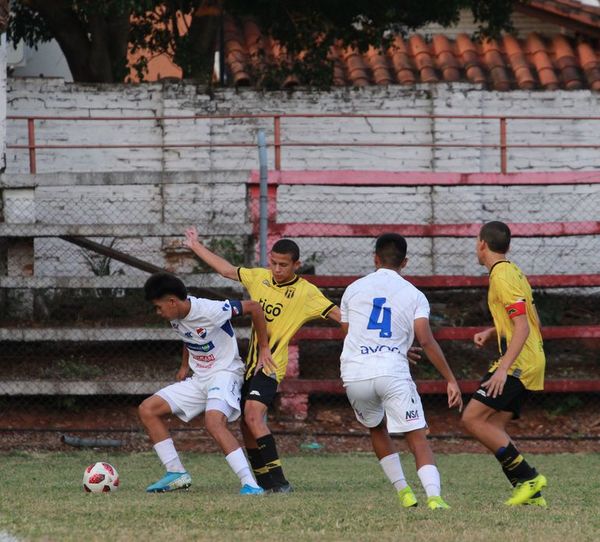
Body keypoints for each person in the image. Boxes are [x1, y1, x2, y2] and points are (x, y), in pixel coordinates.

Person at [184, 227, 342, 492]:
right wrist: (195, 246)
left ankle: (280, 483)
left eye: (283, 265)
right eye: (273, 263)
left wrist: (378, 343)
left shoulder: (307, 293)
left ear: (296, 265)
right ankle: (263, 481)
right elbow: (226, 270)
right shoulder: (259, 278)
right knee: (247, 424)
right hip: (248, 366)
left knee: (253, 416)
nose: (277, 269)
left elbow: (341, 317)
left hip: (270, 365)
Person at [339, 233, 462, 510]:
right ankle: (434, 498)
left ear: (375, 258)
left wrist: (392, 346)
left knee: (376, 428)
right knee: (416, 436)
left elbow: (351, 334)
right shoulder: (414, 294)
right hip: (391, 372)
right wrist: (450, 379)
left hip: (355, 374)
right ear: (405, 262)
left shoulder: (353, 289)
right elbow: (426, 340)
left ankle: (404, 491)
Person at [139, 272, 275, 495]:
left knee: (213, 422)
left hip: (225, 373)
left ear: (172, 301)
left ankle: (250, 483)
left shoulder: (211, 309)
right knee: (147, 409)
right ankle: (176, 473)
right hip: (199, 379)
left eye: (159, 306)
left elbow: (254, 307)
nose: (158, 312)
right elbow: (190, 337)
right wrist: (185, 365)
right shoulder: (176, 316)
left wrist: (263, 348)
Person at [461, 221, 547, 507]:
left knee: (472, 419)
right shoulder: (514, 272)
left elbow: (522, 328)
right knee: (494, 426)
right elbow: (530, 319)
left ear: (482, 244)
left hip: (517, 362)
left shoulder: (501, 276)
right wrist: (492, 331)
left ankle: (530, 478)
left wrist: (502, 369)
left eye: (476, 241)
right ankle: (530, 494)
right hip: (529, 358)